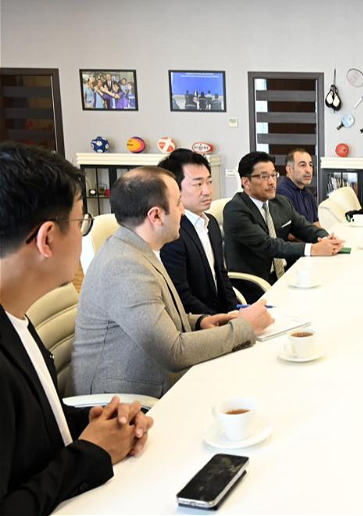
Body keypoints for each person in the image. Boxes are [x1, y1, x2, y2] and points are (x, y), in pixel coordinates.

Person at [0, 142, 153, 515]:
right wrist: (92, 453)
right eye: (80, 222)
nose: (84, 235)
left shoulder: (16, 316)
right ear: (47, 238)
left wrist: (99, 422)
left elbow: (34, 424)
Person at [72, 167, 273, 398]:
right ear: (156, 216)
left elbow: (157, 316)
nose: (183, 210)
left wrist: (200, 322)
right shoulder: (125, 266)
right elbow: (174, 352)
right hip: (123, 401)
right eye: (178, 203)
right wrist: (245, 327)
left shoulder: (138, 249)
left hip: (150, 379)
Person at [224, 152, 344, 300]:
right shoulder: (235, 210)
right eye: (264, 177)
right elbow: (269, 245)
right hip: (256, 285)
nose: (272, 182)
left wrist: (326, 239)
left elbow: (305, 228)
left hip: (287, 275)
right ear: (246, 182)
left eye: (273, 175)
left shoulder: (280, 202)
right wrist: (313, 249)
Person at [158, 150, 238, 315]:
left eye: (209, 182)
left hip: (221, 316)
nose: (207, 191)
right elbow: (181, 296)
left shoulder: (211, 222)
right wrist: (219, 321)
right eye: (198, 184)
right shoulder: (172, 232)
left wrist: (234, 311)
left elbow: (222, 275)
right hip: (198, 321)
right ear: (174, 189)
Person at [276, 148, 321, 228]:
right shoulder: (282, 193)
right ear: (289, 169)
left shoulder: (308, 194)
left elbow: (316, 223)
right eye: (302, 165)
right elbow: (289, 231)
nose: (308, 170)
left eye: (310, 165)